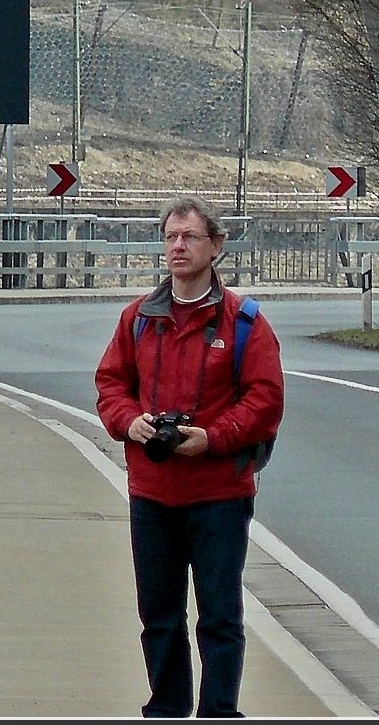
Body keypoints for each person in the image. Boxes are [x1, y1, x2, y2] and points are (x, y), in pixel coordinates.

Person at [94, 195, 285, 718]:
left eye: (190, 237)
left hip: (219, 494)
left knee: (219, 615)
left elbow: (265, 400)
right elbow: (111, 384)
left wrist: (213, 437)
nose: (178, 247)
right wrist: (129, 420)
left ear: (216, 247)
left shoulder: (244, 323)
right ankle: (167, 708)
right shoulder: (137, 319)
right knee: (158, 615)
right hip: (153, 493)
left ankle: (219, 711)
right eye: (171, 237)